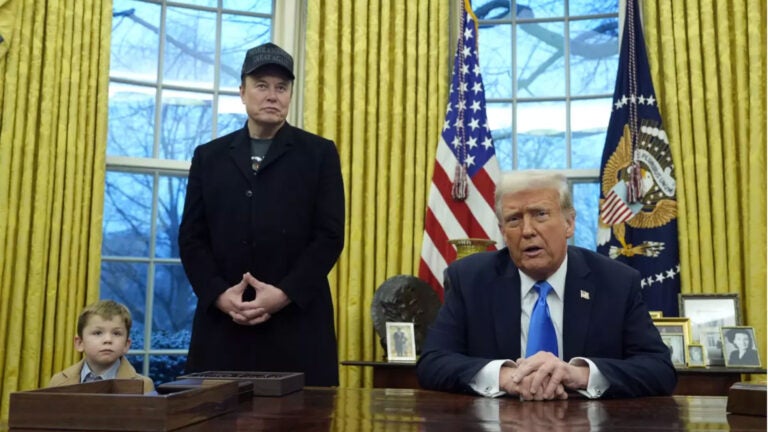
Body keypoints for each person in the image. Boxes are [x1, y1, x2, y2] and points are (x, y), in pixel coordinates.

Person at [417, 171, 676, 399]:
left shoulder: (616, 281)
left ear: (569, 223)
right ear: (503, 231)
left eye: (540, 214)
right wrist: (507, 378)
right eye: (514, 219)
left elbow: (659, 369)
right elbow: (433, 363)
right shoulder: (470, 279)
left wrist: (577, 375)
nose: (527, 230)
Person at [178, 42, 345, 386]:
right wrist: (220, 296)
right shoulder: (209, 157)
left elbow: (329, 236)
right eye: (262, 85)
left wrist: (283, 294)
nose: (273, 96)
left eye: (281, 88)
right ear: (242, 92)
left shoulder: (319, 154)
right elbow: (192, 237)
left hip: (297, 325)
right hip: (223, 326)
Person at [48, 300, 155, 392]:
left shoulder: (144, 386)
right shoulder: (59, 382)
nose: (108, 340)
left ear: (126, 345)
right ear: (80, 343)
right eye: (98, 333)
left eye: (116, 333)